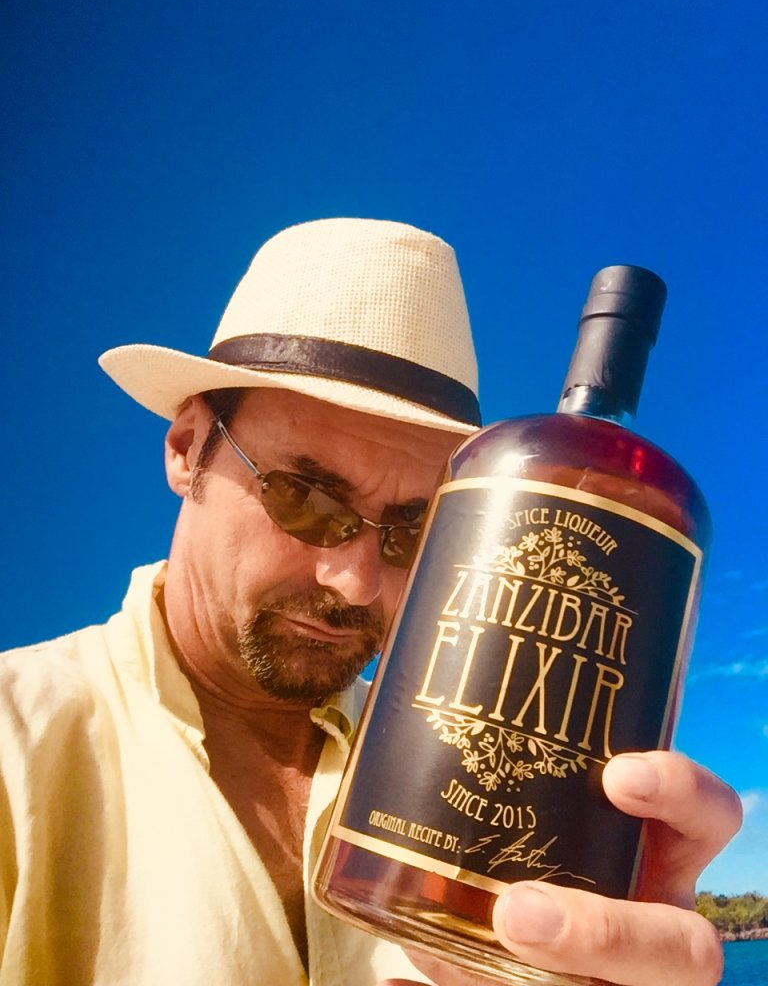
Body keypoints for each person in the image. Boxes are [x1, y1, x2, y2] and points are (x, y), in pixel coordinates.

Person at [0, 218, 740, 986]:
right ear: (188, 447)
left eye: (413, 533)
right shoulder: (16, 745)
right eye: (305, 498)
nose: (354, 583)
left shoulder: (461, 788)